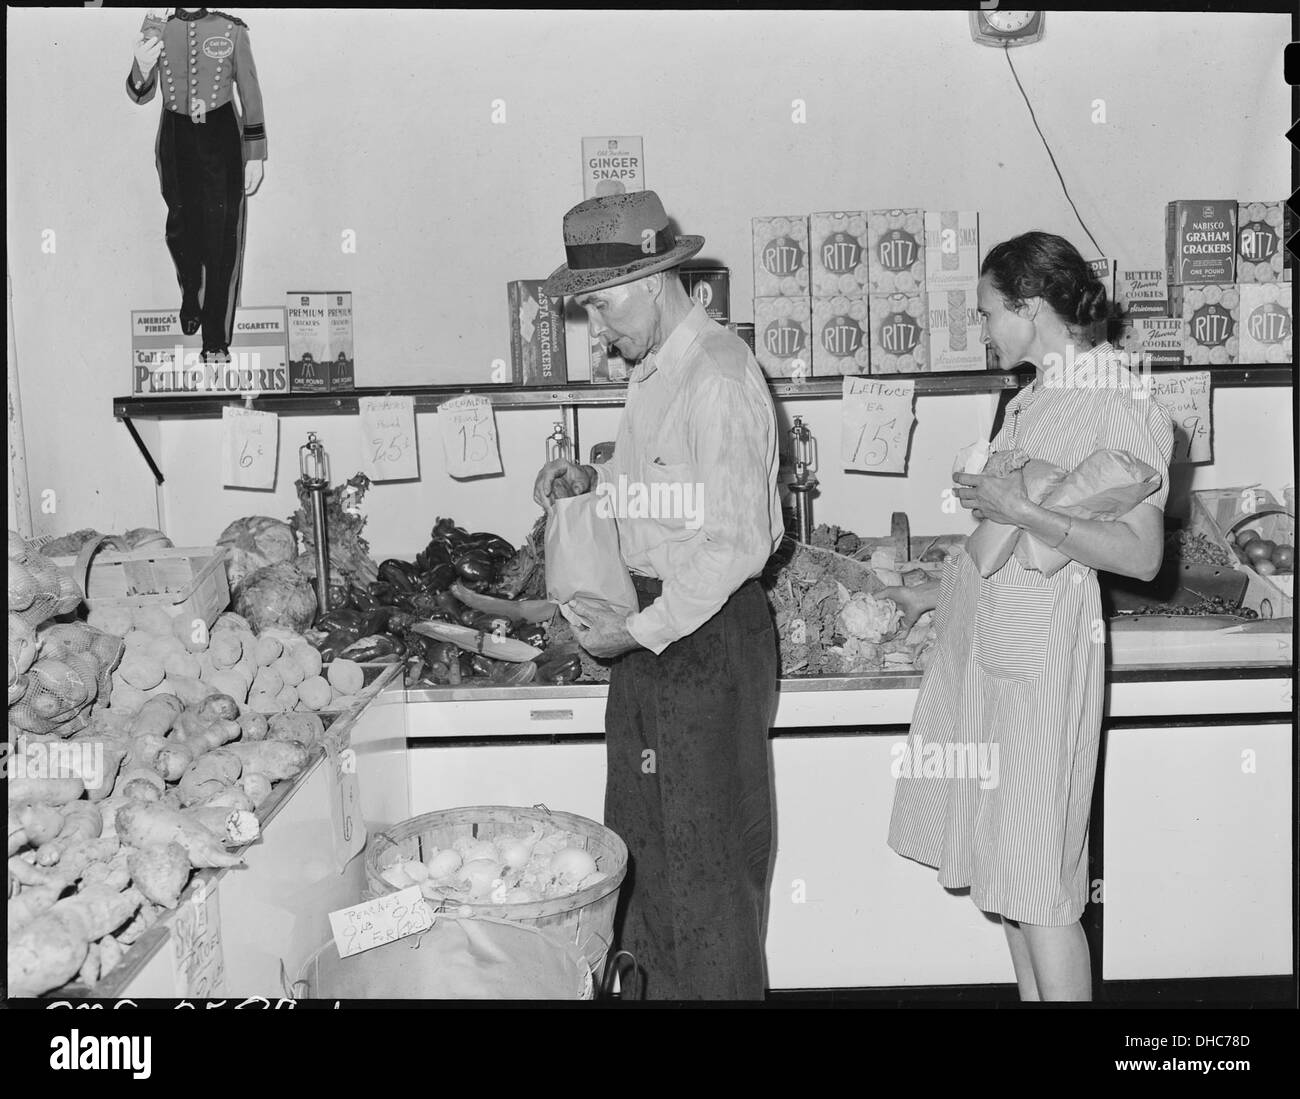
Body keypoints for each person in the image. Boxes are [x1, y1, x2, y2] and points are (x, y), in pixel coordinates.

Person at [884, 231, 1173, 1002]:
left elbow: (1142, 556)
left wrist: (1020, 507)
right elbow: (1002, 532)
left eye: (987, 313)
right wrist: (935, 592)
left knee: (1043, 886)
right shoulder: (1037, 394)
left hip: (1046, 661)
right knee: (1007, 876)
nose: (981, 330)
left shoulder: (1116, 391)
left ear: (1032, 307)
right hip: (995, 656)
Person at [532, 191, 784, 999]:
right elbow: (670, 502)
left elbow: (737, 541)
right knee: (642, 864)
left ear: (653, 282)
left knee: (710, 884)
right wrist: (593, 487)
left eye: (602, 306)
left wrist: (639, 631)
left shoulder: (718, 375)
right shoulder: (653, 374)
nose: (597, 328)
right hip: (653, 640)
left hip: (704, 642)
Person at [127, 8, 266, 361]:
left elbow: (249, 90)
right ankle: (191, 288)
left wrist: (255, 154)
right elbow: (141, 93)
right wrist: (142, 67)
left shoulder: (231, 30)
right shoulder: (159, 25)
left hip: (220, 133)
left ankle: (215, 338)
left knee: (222, 238)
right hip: (176, 133)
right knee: (180, 228)